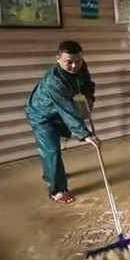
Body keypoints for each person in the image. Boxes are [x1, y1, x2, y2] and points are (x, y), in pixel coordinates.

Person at [24, 40, 98, 203]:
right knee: (52, 151)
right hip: (41, 115)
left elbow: (87, 85)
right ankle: (57, 190)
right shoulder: (54, 81)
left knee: (69, 134)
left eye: (77, 61)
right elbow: (68, 111)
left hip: (59, 113)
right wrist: (85, 134)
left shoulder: (81, 67)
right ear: (58, 59)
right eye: (68, 62)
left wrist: (89, 100)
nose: (74, 66)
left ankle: (51, 172)